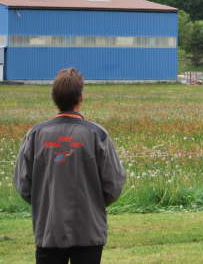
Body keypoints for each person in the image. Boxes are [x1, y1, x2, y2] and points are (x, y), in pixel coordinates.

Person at [14, 68, 125, 264]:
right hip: (89, 231)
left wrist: (46, 202)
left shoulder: (36, 135)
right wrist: (92, 203)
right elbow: (113, 184)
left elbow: (23, 184)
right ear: (80, 98)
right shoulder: (97, 135)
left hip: (49, 230)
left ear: (54, 98)